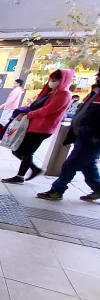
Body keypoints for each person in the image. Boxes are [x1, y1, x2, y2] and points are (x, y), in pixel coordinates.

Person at [2, 69, 74, 184]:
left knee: (26, 151)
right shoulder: (50, 92)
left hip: (43, 128)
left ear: (63, 80)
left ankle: (21, 176)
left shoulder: (64, 94)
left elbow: (48, 110)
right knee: (18, 150)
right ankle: (34, 169)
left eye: (56, 79)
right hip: (33, 125)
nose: (52, 81)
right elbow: (36, 105)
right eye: (51, 78)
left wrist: (29, 114)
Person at [37, 69, 100, 201]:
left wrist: (93, 136)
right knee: (88, 165)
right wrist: (73, 134)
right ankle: (98, 189)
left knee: (70, 164)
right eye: (98, 75)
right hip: (83, 136)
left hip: (92, 139)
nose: (97, 78)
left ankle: (57, 190)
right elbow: (82, 114)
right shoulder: (95, 92)